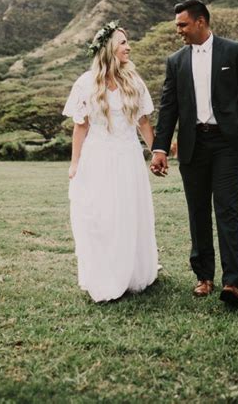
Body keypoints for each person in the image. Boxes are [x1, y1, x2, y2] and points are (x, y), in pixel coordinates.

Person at [151, 0, 238, 306]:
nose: (179, 31)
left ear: (201, 22)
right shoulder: (175, 61)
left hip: (227, 144)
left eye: (183, 25)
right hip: (192, 145)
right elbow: (169, 107)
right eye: (177, 26)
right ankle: (204, 277)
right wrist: (160, 147)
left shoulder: (234, 51)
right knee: (197, 211)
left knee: (226, 208)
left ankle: (232, 282)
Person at [62, 20, 158, 302]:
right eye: (122, 43)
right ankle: (104, 274)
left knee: (129, 214)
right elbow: (81, 126)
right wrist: (75, 163)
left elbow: (143, 122)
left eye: (127, 42)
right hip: (98, 158)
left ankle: (131, 273)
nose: (128, 47)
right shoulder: (86, 83)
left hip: (128, 157)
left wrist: (157, 153)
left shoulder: (134, 81)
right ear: (108, 49)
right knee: (101, 216)